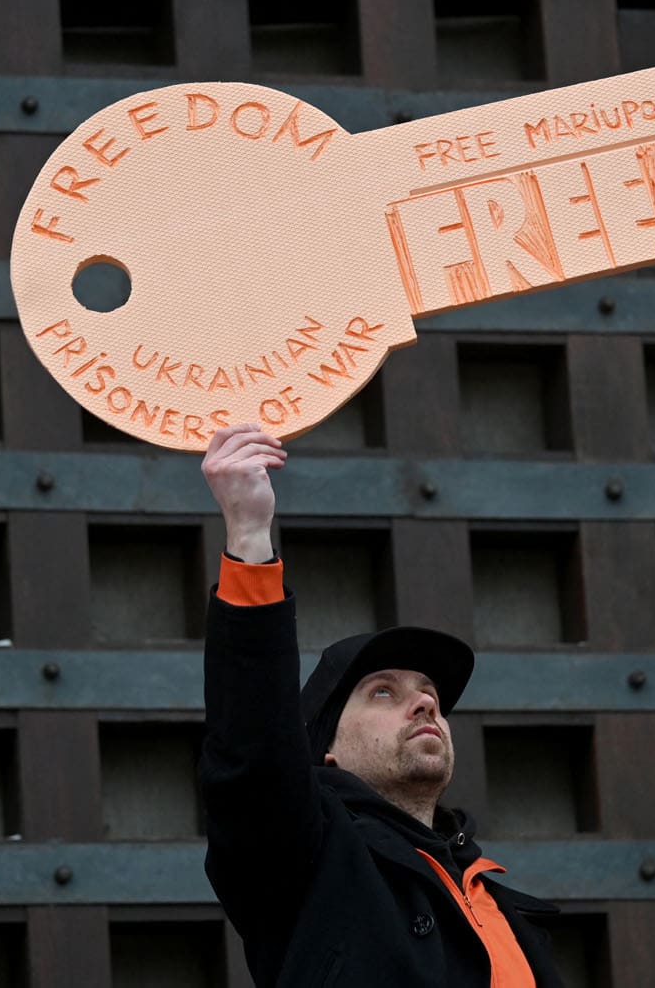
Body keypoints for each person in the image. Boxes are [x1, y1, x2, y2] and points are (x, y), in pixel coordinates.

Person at [199, 423, 566, 987]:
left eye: (429, 694)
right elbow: (254, 749)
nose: (423, 704)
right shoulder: (306, 861)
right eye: (383, 692)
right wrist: (248, 531)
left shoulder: (497, 899)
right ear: (326, 753)